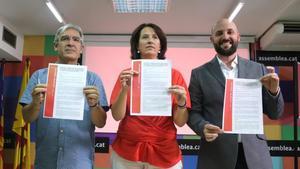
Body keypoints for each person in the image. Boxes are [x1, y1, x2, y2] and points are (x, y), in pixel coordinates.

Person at [187, 18, 284, 169]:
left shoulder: (258, 69)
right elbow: (193, 113)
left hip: (255, 156)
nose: (225, 36)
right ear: (212, 39)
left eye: (230, 32)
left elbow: (275, 113)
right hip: (216, 154)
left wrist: (274, 92)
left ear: (238, 37)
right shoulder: (199, 74)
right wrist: (202, 126)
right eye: (219, 33)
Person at [19, 23, 109, 169]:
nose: (70, 43)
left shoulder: (93, 79)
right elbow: (27, 117)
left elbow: (101, 123)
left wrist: (94, 105)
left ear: (81, 49)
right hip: (45, 161)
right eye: (65, 39)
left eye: (76, 40)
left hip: (80, 162)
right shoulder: (39, 76)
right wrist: (35, 103)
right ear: (55, 46)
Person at [110, 23, 190, 169]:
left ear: (160, 46)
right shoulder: (127, 74)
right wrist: (124, 90)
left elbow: (180, 122)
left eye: (155, 37)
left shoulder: (175, 75)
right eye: (144, 37)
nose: (150, 40)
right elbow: (116, 116)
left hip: (165, 152)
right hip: (127, 151)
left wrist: (182, 103)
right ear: (137, 47)